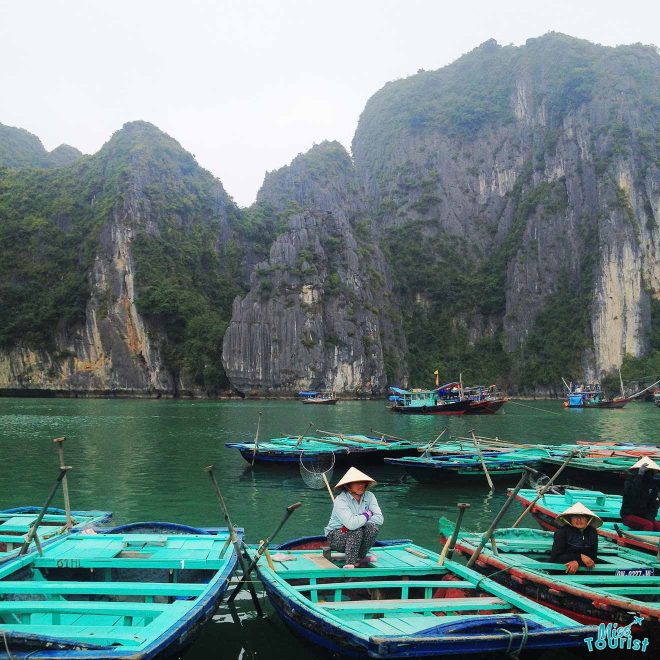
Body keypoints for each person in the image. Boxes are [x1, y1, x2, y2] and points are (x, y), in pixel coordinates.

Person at [324, 467, 384, 569]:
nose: (360, 485)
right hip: (336, 535)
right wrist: (367, 514)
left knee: (372, 528)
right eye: (356, 483)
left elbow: (379, 519)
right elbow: (351, 525)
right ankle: (350, 563)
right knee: (355, 530)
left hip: (355, 532)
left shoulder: (370, 496)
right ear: (347, 486)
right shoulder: (340, 500)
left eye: (362, 482)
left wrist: (356, 520)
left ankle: (360, 557)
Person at [550, 502, 600, 574]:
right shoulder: (562, 532)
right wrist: (579, 557)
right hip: (562, 570)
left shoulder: (592, 532)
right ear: (570, 519)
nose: (579, 520)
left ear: (588, 519)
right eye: (575, 516)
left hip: (583, 570)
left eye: (582, 517)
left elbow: (593, 557)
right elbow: (555, 558)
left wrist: (577, 562)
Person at [620, 456, 660, 532]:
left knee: (656, 525)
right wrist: (640, 475)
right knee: (648, 525)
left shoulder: (652, 486)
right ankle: (645, 542)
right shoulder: (630, 481)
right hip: (629, 515)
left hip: (644, 516)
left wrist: (650, 518)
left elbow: (653, 505)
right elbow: (632, 493)